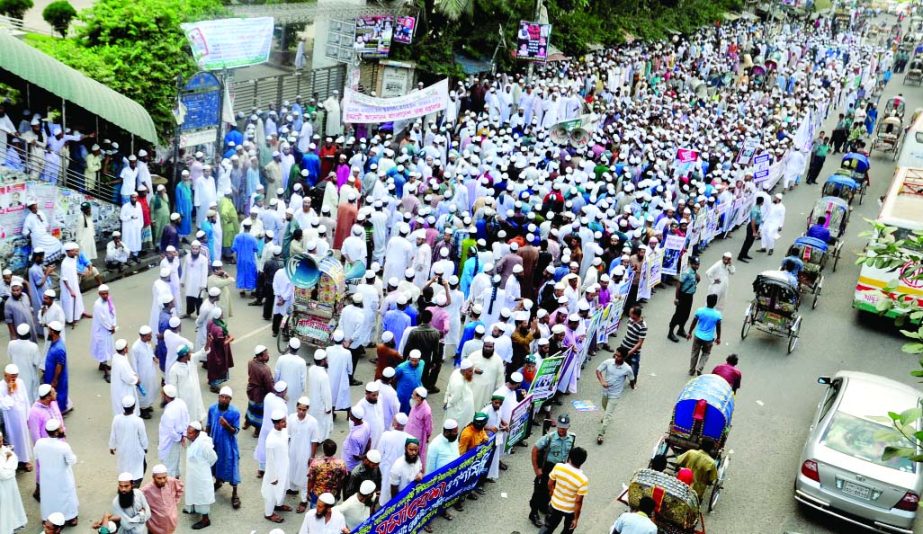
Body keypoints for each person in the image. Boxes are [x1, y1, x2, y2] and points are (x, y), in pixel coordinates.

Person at [529, 414, 576, 527]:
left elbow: (570, 454)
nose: (561, 429)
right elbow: (535, 450)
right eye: (560, 427)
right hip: (548, 468)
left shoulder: (571, 438)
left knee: (551, 490)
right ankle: (533, 513)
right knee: (539, 491)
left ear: (568, 427)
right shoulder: (549, 437)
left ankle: (543, 506)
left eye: (564, 427)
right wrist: (537, 469)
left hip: (561, 468)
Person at [33, 418, 79, 526]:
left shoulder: (39, 443)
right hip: (62, 477)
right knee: (66, 496)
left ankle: (47, 518)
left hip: (47, 478)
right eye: (61, 428)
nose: (63, 429)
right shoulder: (63, 446)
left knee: (49, 498)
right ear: (57, 432)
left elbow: (36, 456)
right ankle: (71, 517)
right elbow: (71, 461)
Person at [537, 446, 588, 534]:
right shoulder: (583, 480)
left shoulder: (558, 467)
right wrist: (576, 518)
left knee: (548, 526)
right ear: (583, 461)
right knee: (567, 530)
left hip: (555, 504)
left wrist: (553, 493)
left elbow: (550, 484)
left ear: (570, 457)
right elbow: (578, 501)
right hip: (570, 510)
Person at [206, 386, 241, 509]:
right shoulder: (212, 409)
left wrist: (226, 425)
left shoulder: (235, 412)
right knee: (215, 463)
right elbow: (208, 425)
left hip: (228, 445)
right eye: (222, 397)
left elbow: (235, 431)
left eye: (227, 398)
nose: (223, 400)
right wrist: (206, 440)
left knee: (231, 466)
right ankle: (218, 481)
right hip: (214, 442)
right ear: (218, 397)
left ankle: (235, 494)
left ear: (230, 399)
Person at [594, 347, 634, 444]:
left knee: (607, 415)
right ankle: (606, 417)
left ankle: (601, 434)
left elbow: (632, 379)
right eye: (616, 355)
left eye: (619, 356)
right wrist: (602, 381)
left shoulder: (627, 369)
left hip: (615, 394)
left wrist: (633, 386)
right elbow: (598, 371)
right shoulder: (608, 362)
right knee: (604, 406)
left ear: (624, 357)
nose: (616, 357)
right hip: (605, 392)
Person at [183, 421, 218, 530]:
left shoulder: (203, 444)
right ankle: (192, 508)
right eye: (188, 432)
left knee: (201, 496)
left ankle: (205, 519)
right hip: (192, 474)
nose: (188, 435)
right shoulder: (192, 441)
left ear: (197, 433)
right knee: (192, 491)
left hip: (201, 475)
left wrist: (203, 466)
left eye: (191, 433)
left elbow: (213, 458)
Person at [288, 396, 320, 512]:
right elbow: (288, 436)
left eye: (304, 410)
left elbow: (314, 440)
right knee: (291, 470)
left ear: (308, 409)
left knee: (304, 476)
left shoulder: (313, 422)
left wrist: (312, 457)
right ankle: (292, 488)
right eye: (299, 409)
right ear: (296, 407)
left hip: (305, 452)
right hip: (292, 450)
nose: (301, 412)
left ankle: (303, 500)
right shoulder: (291, 418)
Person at [108, 395, 148, 487]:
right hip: (136, 450)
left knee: (125, 469)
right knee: (139, 468)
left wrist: (112, 446)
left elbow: (113, 434)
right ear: (134, 407)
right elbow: (143, 437)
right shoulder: (138, 421)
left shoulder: (116, 419)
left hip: (122, 450)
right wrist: (145, 447)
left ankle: (126, 485)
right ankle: (134, 485)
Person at [0, 363, 32, 470]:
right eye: (12, 376)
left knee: (24, 438)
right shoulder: (1, 386)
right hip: (10, 420)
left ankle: (26, 460)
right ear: (5, 375)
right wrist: (10, 392)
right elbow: (4, 405)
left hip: (22, 417)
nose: (14, 378)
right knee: (12, 439)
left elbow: (26, 400)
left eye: (16, 376)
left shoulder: (20, 382)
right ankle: (16, 461)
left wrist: (28, 415)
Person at [262, 409, 291, 523]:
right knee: (271, 493)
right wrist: (273, 477)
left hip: (284, 466)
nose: (285, 423)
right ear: (277, 423)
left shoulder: (283, 431)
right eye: (283, 422)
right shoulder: (271, 440)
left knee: (283, 487)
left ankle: (279, 505)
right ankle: (268, 513)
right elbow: (270, 461)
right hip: (275, 471)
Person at [141, 464, 184, 534]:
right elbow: (138, 500)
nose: (162, 480)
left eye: (164, 477)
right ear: (153, 477)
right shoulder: (146, 489)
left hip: (170, 522)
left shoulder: (171, 481)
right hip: (155, 525)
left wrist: (175, 502)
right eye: (159, 478)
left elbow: (180, 488)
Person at [687, 293, 723, 376]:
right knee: (706, 353)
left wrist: (689, 332)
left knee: (694, 353)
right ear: (715, 303)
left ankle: (691, 370)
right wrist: (718, 338)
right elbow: (718, 327)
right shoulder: (717, 314)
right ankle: (700, 368)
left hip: (698, 336)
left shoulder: (700, 310)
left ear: (706, 301)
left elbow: (694, 322)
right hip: (709, 339)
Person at [157, 384, 189, 477]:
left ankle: (172, 488)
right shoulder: (181, 402)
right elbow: (187, 419)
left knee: (169, 467)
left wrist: (179, 438)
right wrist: (184, 435)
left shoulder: (168, 413)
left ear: (166, 396)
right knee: (176, 463)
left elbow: (171, 431)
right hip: (178, 438)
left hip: (170, 442)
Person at [0, 429, 28, 534]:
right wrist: (8, 461)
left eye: (2, 440)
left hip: (10, 486)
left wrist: (8, 463)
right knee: (3, 511)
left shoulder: (4, 449)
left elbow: (15, 459)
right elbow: (3, 475)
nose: (1, 443)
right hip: (2, 488)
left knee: (12, 507)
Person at [307, 440, 349, 507]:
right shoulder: (341, 464)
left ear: (323, 449)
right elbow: (341, 480)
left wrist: (308, 492)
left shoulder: (315, 463)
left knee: (315, 513)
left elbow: (311, 479)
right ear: (335, 451)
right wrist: (338, 493)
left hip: (318, 494)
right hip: (332, 495)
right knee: (329, 514)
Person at [668, 256, 700, 341]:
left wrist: (696, 275)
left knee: (686, 314)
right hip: (683, 296)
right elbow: (679, 285)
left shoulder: (694, 272)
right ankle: (670, 332)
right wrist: (676, 298)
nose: (697, 266)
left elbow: (697, 280)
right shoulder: (687, 272)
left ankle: (681, 329)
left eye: (698, 264)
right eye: (695, 264)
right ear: (691, 264)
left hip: (690, 296)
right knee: (678, 314)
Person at [246, 345, 276, 434]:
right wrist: (273, 393)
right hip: (260, 394)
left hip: (251, 390)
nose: (268, 356)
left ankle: (247, 422)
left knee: (250, 407)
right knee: (259, 413)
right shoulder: (265, 369)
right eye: (266, 355)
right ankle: (257, 430)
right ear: (259, 356)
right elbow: (269, 385)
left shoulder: (250, 362)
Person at [42, 321, 69, 414]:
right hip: (50, 374)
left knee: (58, 393)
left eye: (49, 330)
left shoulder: (59, 348)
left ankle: (60, 411)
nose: (48, 332)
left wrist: (55, 380)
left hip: (56, 377)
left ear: (53, 332)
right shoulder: (55, 343)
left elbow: (59, 365)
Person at [131, 326, 158, 419]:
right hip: (142, 374)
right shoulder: (135, 347)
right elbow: (133, 363)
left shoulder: (147, 343)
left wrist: (154, 357)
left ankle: (147, 405)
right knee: (143, 392)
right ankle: (142, 409)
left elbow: (150, 352)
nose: (150, 338)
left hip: (150, 371)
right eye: (148, 336)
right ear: (142, 336)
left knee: (151, 389)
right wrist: (136, 376)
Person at [205, 308, 234, 391]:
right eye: (221, 313)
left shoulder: (210, 322)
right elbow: (222, 343)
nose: (222, 314)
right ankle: (214, 385)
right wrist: (230, 339)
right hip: (217, 351)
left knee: (212, 366)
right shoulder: (218, 330)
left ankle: (211, 380)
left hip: (211, 348)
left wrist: (227, 334)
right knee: (218, 367)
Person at [618, 306, 646, 389]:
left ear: (636, 315)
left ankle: (632, 383)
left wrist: (630, 352)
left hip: (634, 352)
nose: (629, 315)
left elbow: (640, 343)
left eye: (631, 313)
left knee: (633, 370)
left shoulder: (643, 326)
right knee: (620, 366)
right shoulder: (630, 320)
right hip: (624, 346)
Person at [110, 339, 139, 416]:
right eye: (127, 347)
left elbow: (128, 369)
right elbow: (128, 378)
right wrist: (136, 380)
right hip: (123, 389)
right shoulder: (121, 363)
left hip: (119, 387)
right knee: (126, 406)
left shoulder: (117, 356)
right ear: (124, 349)